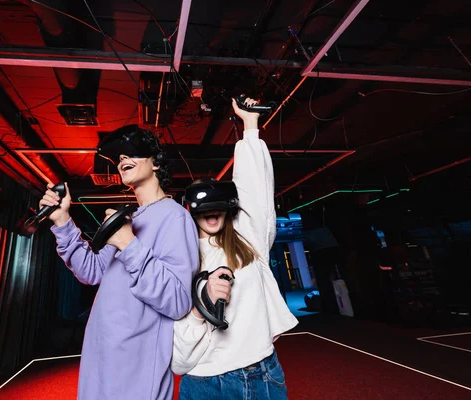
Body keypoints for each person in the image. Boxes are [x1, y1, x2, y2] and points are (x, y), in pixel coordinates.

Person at [39, 125, 199, 400]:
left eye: (133, 153)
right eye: (119, 157)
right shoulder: (132, 221)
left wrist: (128, 244)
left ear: (156, 163)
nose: (122, 159)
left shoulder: (175, 217)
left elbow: (178, 301)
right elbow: (92, 272)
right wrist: (62, 221)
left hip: (135, 366)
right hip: (101, 354)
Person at [171, 98, 299, 399]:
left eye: (217, 208)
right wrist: (202, 307)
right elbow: (178, 356)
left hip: (258, 373)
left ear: (228, 210)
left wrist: (250, 125)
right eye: (203, 209)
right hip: (201, 381)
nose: (211, 215)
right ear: (191, 211)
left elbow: (254, 187)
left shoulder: (247, 239)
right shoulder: (180, 255)